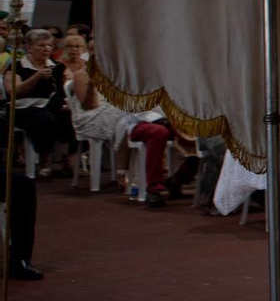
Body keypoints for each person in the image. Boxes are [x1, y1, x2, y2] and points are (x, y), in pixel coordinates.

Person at [61, 33, 189, 206]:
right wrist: (92, 83)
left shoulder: (125, 72)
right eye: (93, 51)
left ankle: (178, 179)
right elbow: (89, 106)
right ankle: (153, 188)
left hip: (143, 113)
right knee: (158, 130)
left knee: (192, 129)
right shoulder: (82, 75)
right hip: (111, 116)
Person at [7, 28, 72, 174]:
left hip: (51, 105)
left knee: (68, 115)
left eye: (49, 45)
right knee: (44, 118)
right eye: (41, 45)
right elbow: (13, 92)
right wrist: (35, 77)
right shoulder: (17, 66)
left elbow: (63, 90)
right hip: (22, 108)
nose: (46, 49)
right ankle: (44, 159)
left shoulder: (57, 66)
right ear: (29, 47)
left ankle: (66, 160)